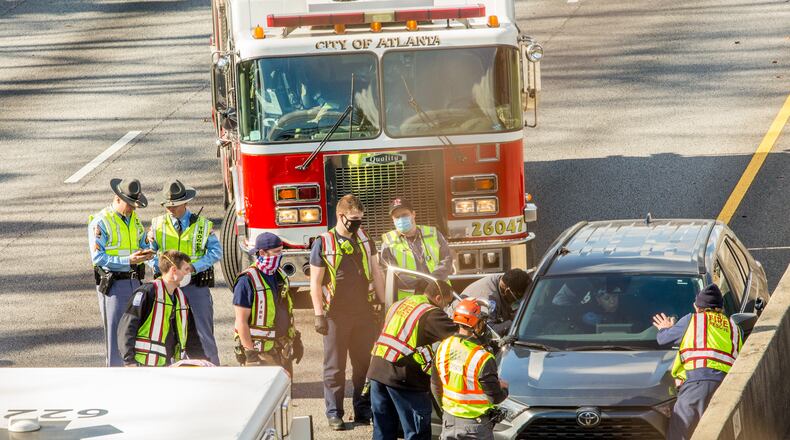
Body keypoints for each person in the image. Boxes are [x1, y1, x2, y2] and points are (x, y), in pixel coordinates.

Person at [309, 195, 386, 430]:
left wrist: (385, 306)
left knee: (363, 365)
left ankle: (363, 410)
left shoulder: (365, 239)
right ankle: (334, 412)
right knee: (335, 367)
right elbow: (315, 282)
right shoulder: (323, 243)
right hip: (335, 315)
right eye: (353, 219)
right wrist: (318, 314)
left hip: (363, 313)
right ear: (340, 216)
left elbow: (377, 272)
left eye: (360, 219)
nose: (357, 223)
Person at [368, 281, 458, 440]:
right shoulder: (432, 313)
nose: (446, 307)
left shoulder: (399, 304)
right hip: (404, 379)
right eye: (447, 302)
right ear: (438, 298)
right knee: (416, 432)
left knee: (383, 431)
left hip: (377, 372)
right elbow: (459, 336)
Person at [652, 283, 743, 440]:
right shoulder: (734, 328)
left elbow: (663, 339)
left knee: (680, 434)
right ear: (721, 308)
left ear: (697, 307)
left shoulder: (692, 320)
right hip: (728, 387)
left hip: (697, 385)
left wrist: (665, 327)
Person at [147, 180, 222, 365]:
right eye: (167, 205)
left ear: (185, 202)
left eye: (174, 205)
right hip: (167, 287)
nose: (170, 209)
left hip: (195, 285)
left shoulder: (202, 225)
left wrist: (194, 267)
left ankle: (213, 369)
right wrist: (160, 268)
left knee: (203, 331)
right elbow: (149, 253)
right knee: (165, 330)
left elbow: (216, 252)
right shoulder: (157, 225)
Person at [88, 178, 153, 367]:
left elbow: (141, 243)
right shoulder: (102, 222)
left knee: (136, 332)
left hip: (135, 281)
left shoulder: (133, 219)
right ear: (117, 198)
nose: (133, 209)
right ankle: (115, 377)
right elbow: (98, 258)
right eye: (130, 204)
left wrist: (148, 248)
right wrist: (128, 260)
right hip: (114, 285)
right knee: (116, 334)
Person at [435, 298, 509, 440]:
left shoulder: (443, 346)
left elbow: (435, 385)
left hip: (449, 421)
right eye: (482, 322)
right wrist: (504, 388)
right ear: (477, 324)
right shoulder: (483, 357)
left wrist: (446, 410)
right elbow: (495, 397)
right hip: (475, 428)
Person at [117, 250, 205, 366]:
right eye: (186, 269)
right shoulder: (147, 292)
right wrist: (129, 362)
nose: (189, 274)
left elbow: (191, 337)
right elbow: (127, 328)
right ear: (174, 270)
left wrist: (202, 363)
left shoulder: (182, 300)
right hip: (144, 367)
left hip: (171, 367)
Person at [232, 232, 303, 374]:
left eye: (281, 251)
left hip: (282, 348)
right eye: (276, 252)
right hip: (260, 353)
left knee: (285, 392)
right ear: (262, 252)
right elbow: (241, 322)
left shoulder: (279, 275)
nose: (280, 255)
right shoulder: (246, 281)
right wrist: (250, 355)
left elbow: (285, 311)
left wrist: (296, 339)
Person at [380, 198, 453, 301]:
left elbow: (446, 260)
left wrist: (433, 281)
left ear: (413, 214)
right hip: (410, 301)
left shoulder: (433, 234)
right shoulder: (388, 243)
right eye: (397, 217)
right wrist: (420, 284)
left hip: (440, 294)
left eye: (405, 215)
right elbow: (393, 274)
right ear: (393, 219)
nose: (401, 219)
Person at [457, 269, 532, 335]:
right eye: (519, 297)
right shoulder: (487, 300)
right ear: (508, 291)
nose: (519, 300)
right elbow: (489, 332)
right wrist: (517, 320)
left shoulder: (503, 281)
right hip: (461, 331)